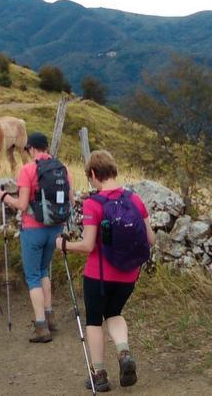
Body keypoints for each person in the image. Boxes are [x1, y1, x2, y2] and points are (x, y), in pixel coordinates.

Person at [57, 150, 155, 391]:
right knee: (114, 312)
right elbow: (150, 239)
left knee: (93, 320)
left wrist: (64, 245)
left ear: (93, 174)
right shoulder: (135, 199)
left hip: (99, 275)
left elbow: (89, 245)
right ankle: (123, 354)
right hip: (129, 274)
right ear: (113, 170)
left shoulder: (94, 204)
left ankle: (99, 375)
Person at [0, 131, 72, 343]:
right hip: (55, 229)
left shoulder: (27, 169)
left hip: (33, 229)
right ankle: (50, 317)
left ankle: (41, 327)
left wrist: (5, 198)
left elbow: (22, 205)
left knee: (33, 277)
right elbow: (71, 199)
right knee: (44, 271)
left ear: (31, 148)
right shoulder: (62, 169)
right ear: (47, 147)